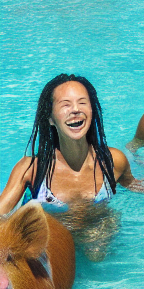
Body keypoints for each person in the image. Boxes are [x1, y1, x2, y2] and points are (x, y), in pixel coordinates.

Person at [0, 74, 134, 216]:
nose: (75, 110)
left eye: (82, 103)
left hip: (99, 236)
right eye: (65, 104)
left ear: (92, 111)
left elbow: (138, 187)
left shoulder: (112, 160)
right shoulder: (31, 168)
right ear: (50, 118)